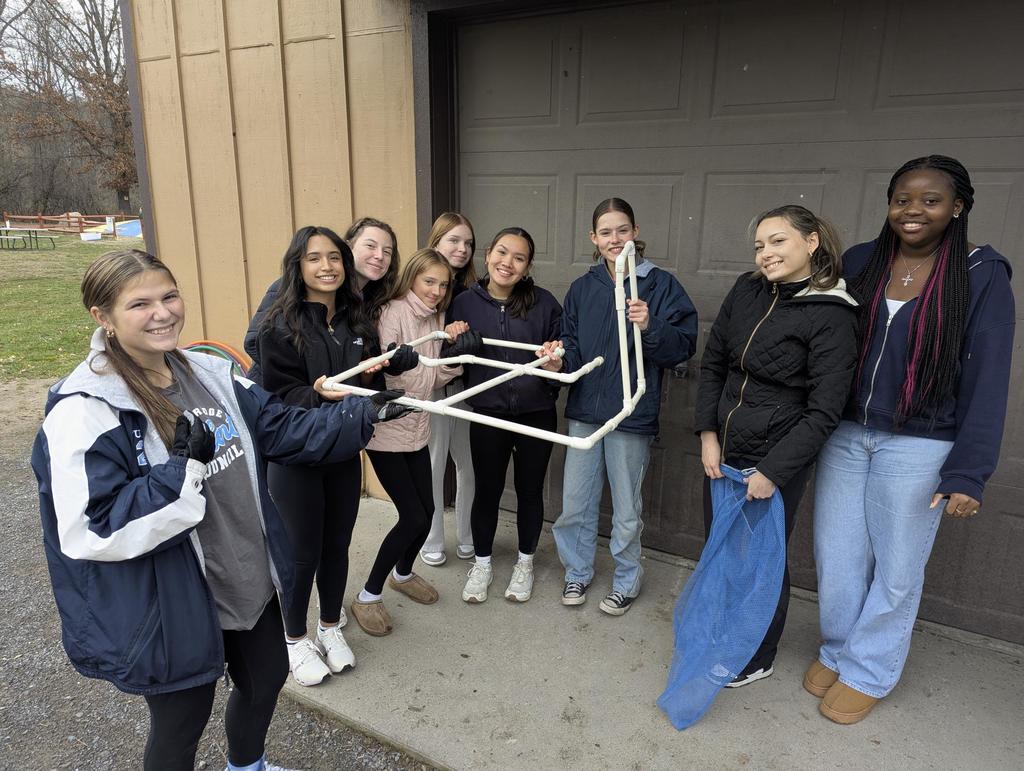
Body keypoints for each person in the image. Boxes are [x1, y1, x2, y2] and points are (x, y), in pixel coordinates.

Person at [32, 250, 408, 771]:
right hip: (172, 599)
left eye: (168, 296)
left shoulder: (209, 371)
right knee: (182, 721)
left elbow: (278, 425)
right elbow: (90, 529)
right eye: (139, 304)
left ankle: (246, 766)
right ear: (103, 317)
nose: (162, 313)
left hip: (244, 575)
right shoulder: (85, 409)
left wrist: (356, 414)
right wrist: (180, 469)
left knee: (266, 679)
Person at [808, 155, 1015, 724]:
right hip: (850, 433)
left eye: (930, 200)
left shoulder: (981, 274)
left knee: (897, 567)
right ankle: (839, 650)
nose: (913, 211)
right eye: (903, 199)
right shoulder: (861, 262)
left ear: (958, 207)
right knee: (839, 555)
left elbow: (989, 376)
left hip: (921, 443)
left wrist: (968, 472)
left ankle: (870, 670)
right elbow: (822, 342)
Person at [693, 205, 859, 688]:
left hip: (774, 459)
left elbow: (824, 411)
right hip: (722, 453)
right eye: (760, 245)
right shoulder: (747, 289)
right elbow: (714, 364)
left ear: (812, 243)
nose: (766, 253)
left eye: (778, 241)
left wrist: (773, 471)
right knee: (723, 550)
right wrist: (708, 436)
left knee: (760, 560)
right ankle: (724, 633)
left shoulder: (833, 313)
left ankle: (757, 654)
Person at [256, 226, 418, 686]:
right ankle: (294, 638)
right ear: (298, 266)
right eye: (314, 259)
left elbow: (364, 385)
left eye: (334, 258)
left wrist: (390, 366)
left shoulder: (355, 321)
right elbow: (279, 396)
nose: (326, 267)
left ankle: (329, 626)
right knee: (301, 553)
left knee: (336, 546)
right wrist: (317, 396)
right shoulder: (279, 325)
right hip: (296, 456)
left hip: (343, 452)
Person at [544, 197, 698, 616]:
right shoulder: (582, 288)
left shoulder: (660, 286)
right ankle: (577, 572)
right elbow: (572, 346)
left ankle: (627, 579)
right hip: (585, 414)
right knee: (575, 503)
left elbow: (683, 347)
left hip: (632, 414)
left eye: (623, 230)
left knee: (627, 510)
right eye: (606, 232)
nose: (615, 239)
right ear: (593, 239)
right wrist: (560, 358)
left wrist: (650, 325)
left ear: (636, 232)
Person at [350, 248, 479, 636]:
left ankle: (403, 574)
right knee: (414, 516)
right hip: (386, 429)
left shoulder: (437, 317)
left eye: (443, 284)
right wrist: (393, 363)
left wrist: (456, 357)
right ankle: (368, 595)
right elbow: (383, 374)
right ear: (411, 279)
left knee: (429, 509)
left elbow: (431, 377)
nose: (437, 291)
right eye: (429, 282)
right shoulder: (393, 312)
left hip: (417, 427)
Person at [452, 227, 562, 603]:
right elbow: (451, 356)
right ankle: (482, 563)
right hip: (487, 413)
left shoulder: (545, 303)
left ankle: (525, 563)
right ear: (487, 255)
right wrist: (453, 339)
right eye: (502, 252)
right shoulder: (464, 302)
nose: (507, 263)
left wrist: (554, 363)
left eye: (518, 257)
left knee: (530, 491)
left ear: (528, 265)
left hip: (536, 413)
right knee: (488, 490)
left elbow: (561, 360)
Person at [243, 217, 400, 383]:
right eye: (370, 246)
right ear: (347, 247)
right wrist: (312, 381)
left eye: (387, 251)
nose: (379, 256)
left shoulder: (372, 299)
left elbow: (355, 357)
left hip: (338, 401)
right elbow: (255, 342)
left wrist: (391, 364)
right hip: (282, 397)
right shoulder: (290, 287)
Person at [421, 212, 478, 566]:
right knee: (434, 462)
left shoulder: (472, 291)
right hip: (434, 386)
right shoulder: (426, 286)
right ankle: (432, 538)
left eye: (468, 243)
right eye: (453, 240)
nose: (461, 248)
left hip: (467, 386)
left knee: (467, 464)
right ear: (436, 241)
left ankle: (467, 534)